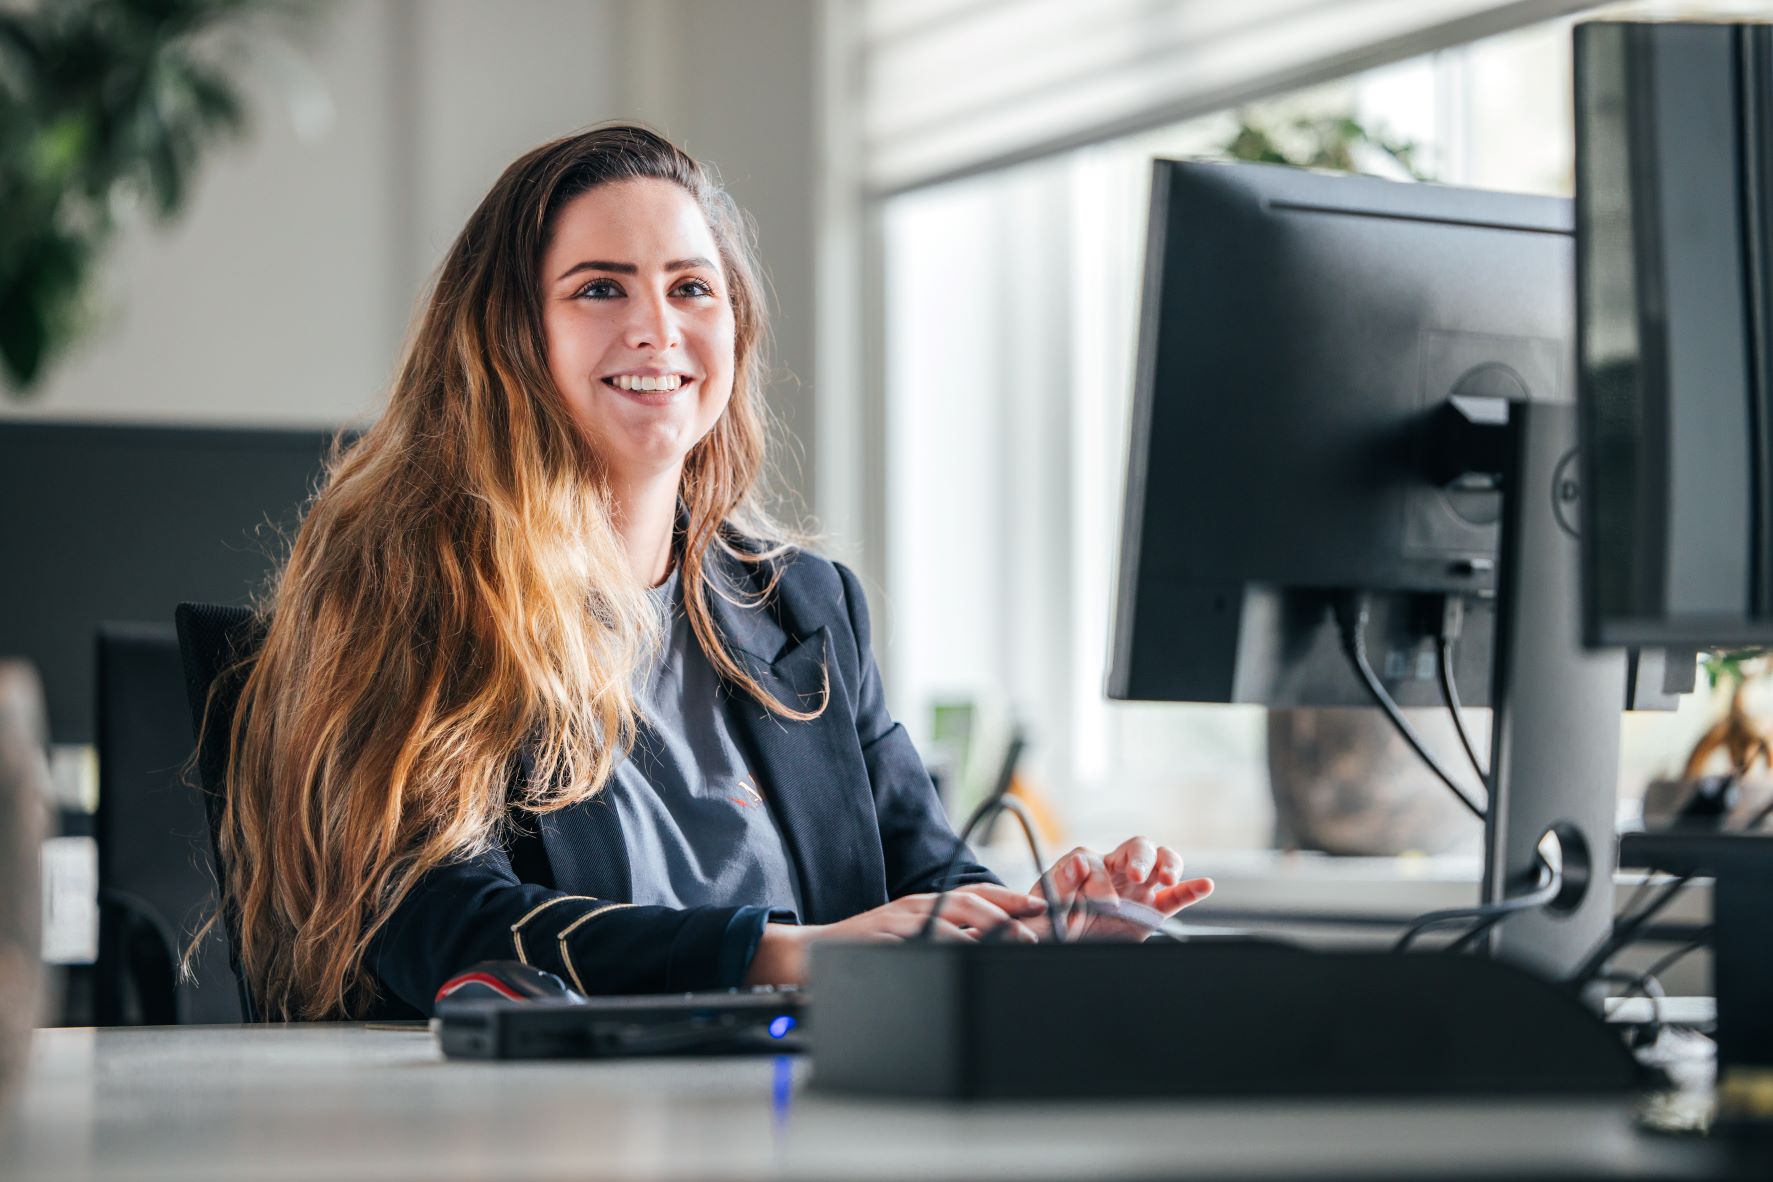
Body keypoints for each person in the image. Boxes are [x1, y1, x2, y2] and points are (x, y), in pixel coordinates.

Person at [217, 125, 1215, 1021]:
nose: (657, 327)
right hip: (542, 1122)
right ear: (510, 334)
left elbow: (918, 873)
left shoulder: (807, 607)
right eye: (600, 287)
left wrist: (1030, 922)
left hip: (803, 1104)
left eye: (691, 287)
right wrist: (788, 958)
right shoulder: (417, 581)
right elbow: (432, 918)